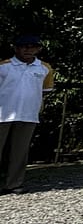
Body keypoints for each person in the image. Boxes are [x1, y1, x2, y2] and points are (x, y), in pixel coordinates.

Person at [0, 35, 55, 194]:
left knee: (20, 152)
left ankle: (14, 183)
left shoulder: (44, 68)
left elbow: (45, 91)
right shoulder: (4, 66)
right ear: (16, 48)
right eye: (24, 46)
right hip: (3, 113)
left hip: (28, 114)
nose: (28, 50)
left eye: (33, 47)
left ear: (38, 49)